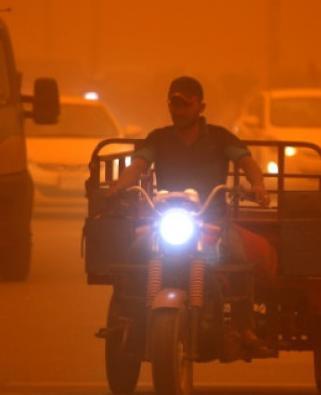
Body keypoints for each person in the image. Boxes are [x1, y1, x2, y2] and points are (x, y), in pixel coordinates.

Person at [106, 75, 274, 357]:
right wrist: (119, 186)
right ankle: (130, 318)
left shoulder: (220, 137)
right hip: (165, 219)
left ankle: (244, 327)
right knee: (134, 254)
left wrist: (258, 185)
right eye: (175, 104)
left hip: (213, 221)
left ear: (201, 107)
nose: (179, 111)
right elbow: (137, 166)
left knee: (238, 259)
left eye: (186, 105)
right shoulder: (159, 138)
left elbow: (247, 163)